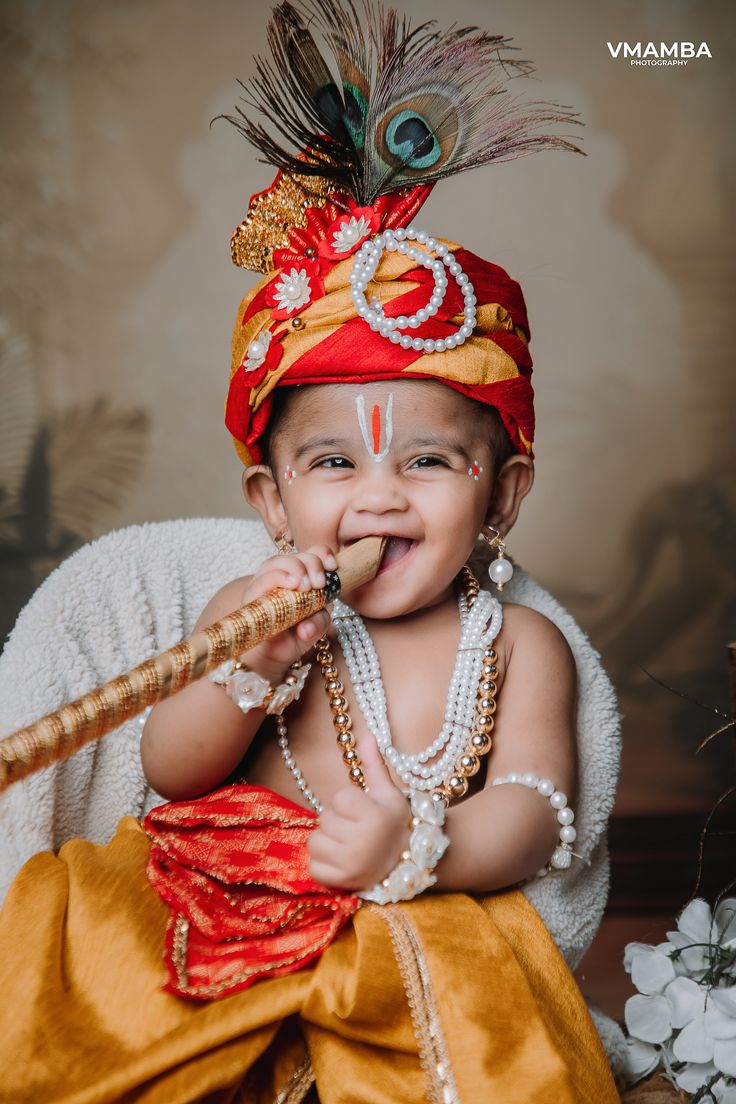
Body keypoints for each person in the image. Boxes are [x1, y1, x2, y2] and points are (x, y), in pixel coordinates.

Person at [0, 3, 622, 1101]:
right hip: (213, 890)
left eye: (428, 462)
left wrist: (417, 848)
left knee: (474, 1044)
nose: (378, 495)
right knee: (92, 982)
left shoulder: (517, 642)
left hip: (409, 904)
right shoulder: (254, 603)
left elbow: (536, 812)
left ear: (501, 496)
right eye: (334, 463)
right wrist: (247, 669)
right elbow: (170, 770)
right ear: (273, 502)